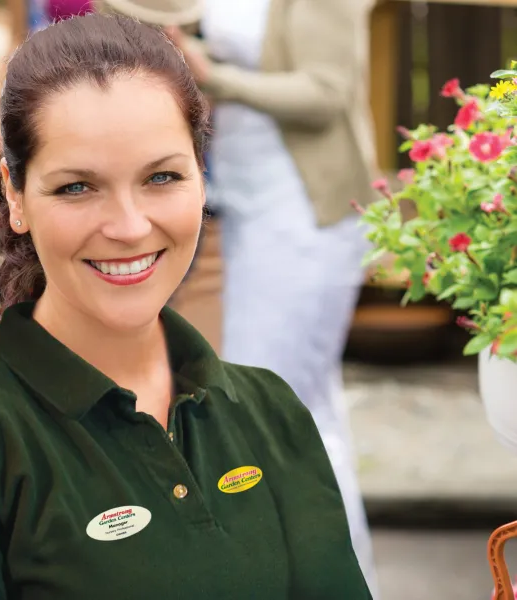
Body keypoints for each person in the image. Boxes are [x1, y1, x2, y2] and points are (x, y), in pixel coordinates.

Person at [0, 13, 372, 599]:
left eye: (162, 177)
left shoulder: (270, 413)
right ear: (16, 196)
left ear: (202, 176)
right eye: (77, 187)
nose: (129, 226)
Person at [162, 0, 381, 595]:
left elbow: (327, 93)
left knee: (282, 412)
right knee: (302, 408)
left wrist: (213, 78)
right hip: (248, 208)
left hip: (303, 217)